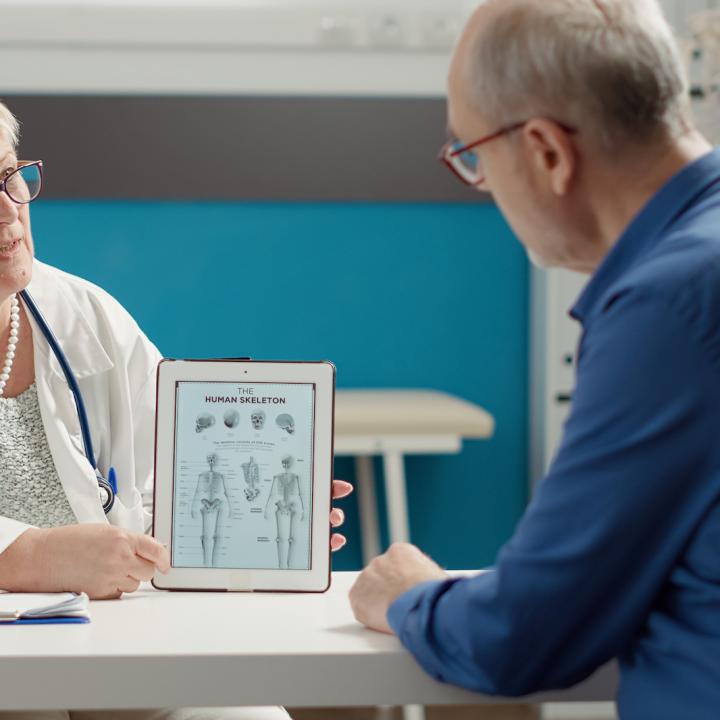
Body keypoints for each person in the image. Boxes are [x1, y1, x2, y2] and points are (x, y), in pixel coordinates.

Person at [349, 1, 720, 718]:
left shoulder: (669, 307)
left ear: (547, 152)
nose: (481, 185)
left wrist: (411, 595)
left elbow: (522, 635)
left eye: (473, 157)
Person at [0, 99, 352, 720]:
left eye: (10, 177)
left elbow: (167, 481)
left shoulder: (84, 316)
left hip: (111, 644)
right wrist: (33, 556)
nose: (11, 212)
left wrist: (254, 528)